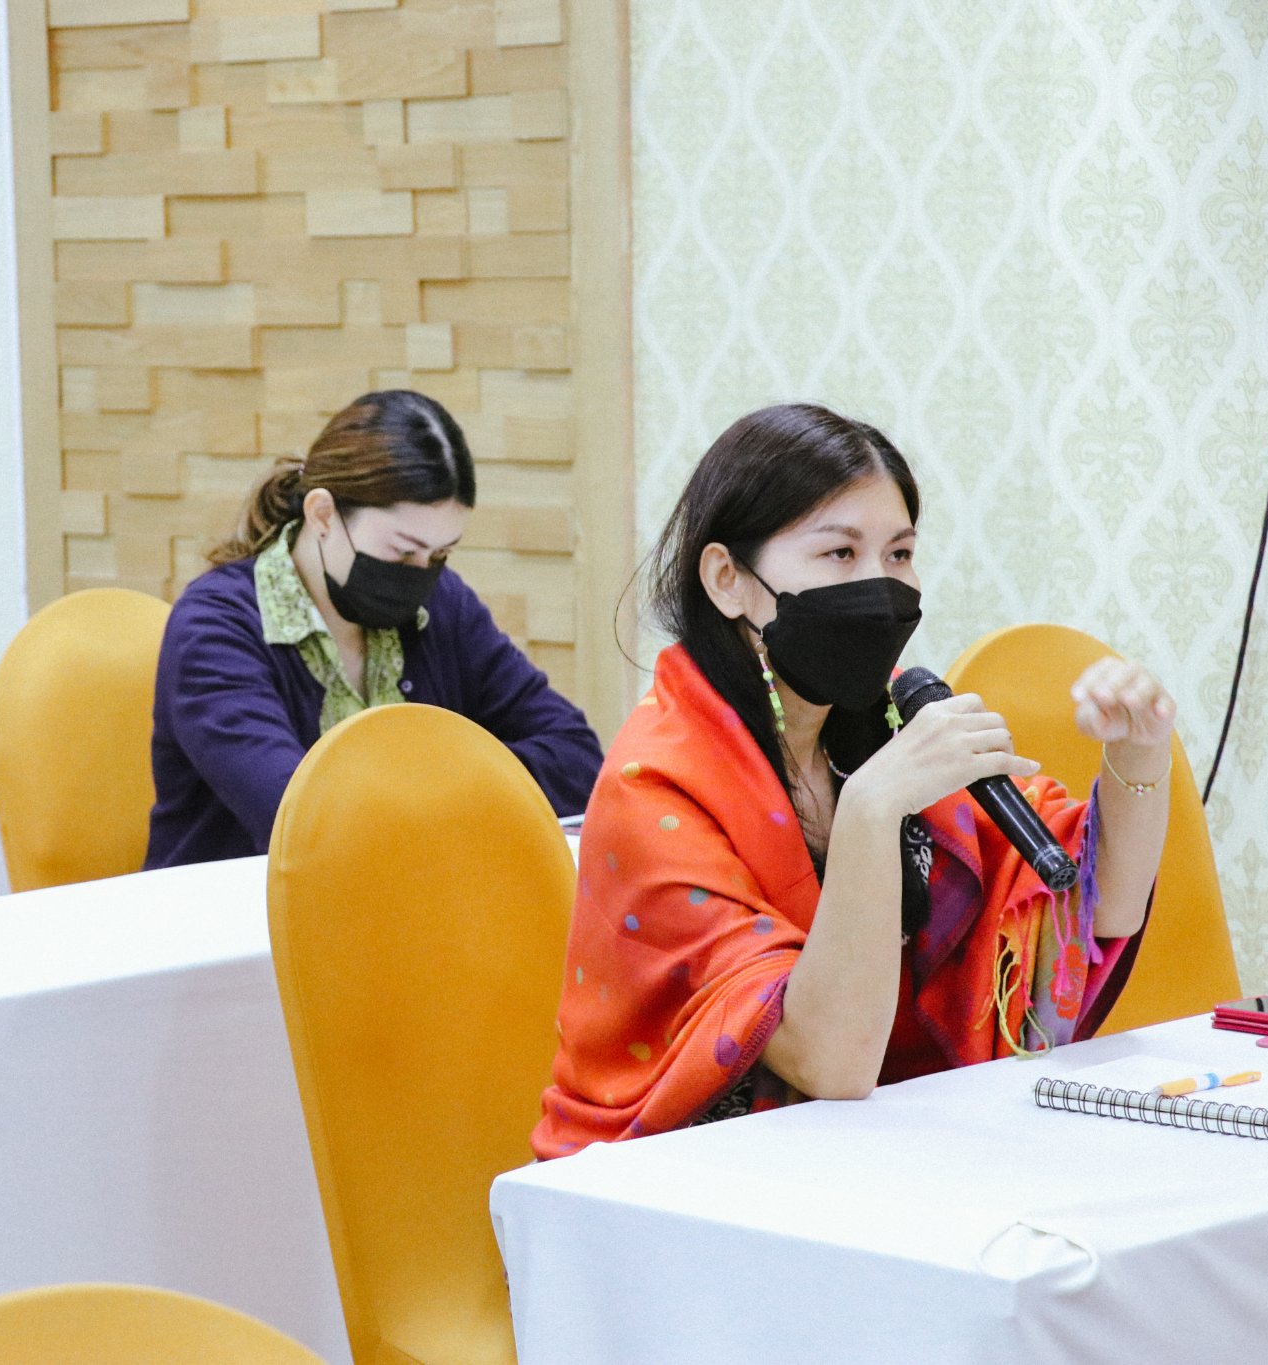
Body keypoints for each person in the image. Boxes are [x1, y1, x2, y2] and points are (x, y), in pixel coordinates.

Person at [535, 404, 1171, 1153]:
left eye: (899, 554)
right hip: (667, 1173)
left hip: (871, 1148)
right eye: (840, 553)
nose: (878, 585)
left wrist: (1139, 752)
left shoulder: (891, 718)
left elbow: (1095, 908)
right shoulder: (656, 787)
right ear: (728, 579)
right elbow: (828, 1057)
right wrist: (871, 808)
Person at [146, 389, 603, 868]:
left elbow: (575, 758)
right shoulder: (215, 627)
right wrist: (466, 786)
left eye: (440, 553)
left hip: (409, 893)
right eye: (401, 551)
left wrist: (430, 790)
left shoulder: (442, 603)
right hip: (232, 905)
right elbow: (302, 820)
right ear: (322, 515)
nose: (421, 573)